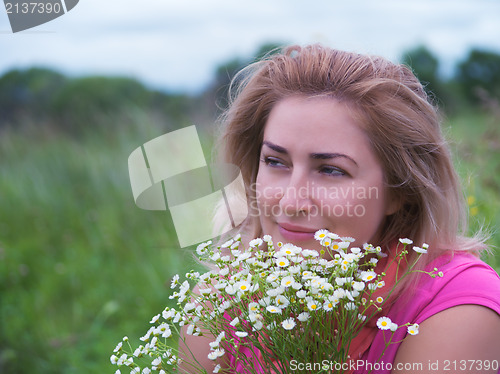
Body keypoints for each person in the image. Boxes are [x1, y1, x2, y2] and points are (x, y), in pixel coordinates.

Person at [180, 44, 500, 373]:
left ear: (399, 191)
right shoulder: (220, 303)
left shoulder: (459, 307)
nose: (290, 201)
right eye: (275, 161)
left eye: (331, 170)